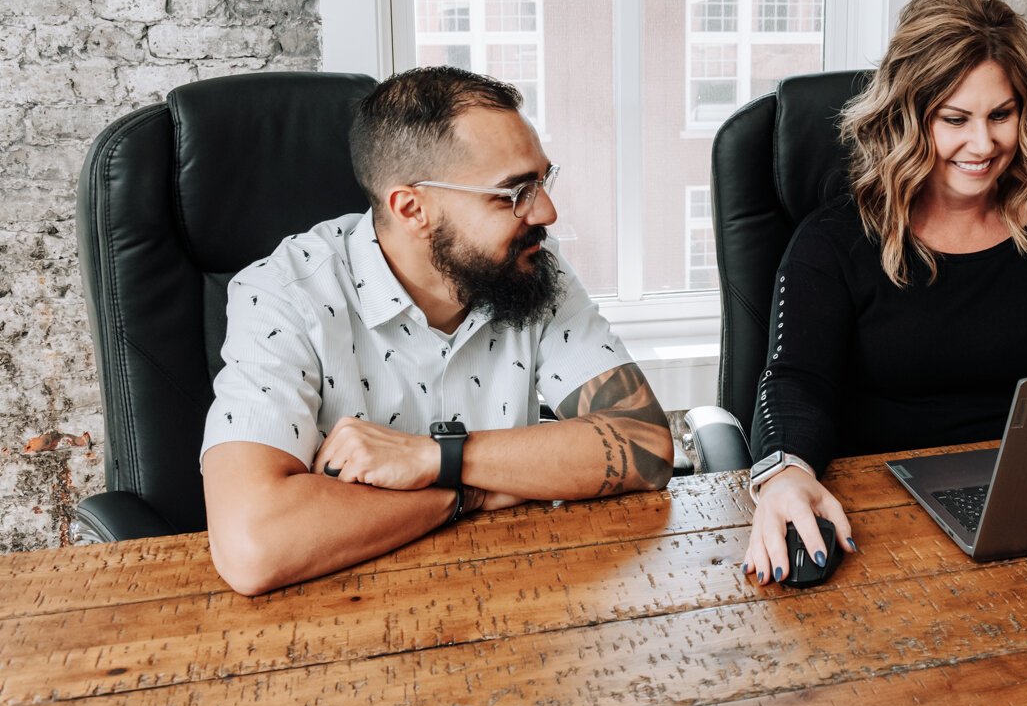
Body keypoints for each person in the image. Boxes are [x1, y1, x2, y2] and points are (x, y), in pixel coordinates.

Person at [201, 67, 674, 595]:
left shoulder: (531, 265)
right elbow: (253, 547)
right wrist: (471, 490)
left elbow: (646, 444)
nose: (546, 211)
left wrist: (437, 457)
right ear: (413, 208)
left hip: (518, 594)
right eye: (513, 192)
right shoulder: (284, 295)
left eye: (542, 180)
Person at [740, 0, 1027, 585]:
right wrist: (787, 474)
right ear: (907, 115)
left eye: (1002, 114)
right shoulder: (832, 243)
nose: (983, 143)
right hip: (883, 528)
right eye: (955, 119)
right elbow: (793, 383)